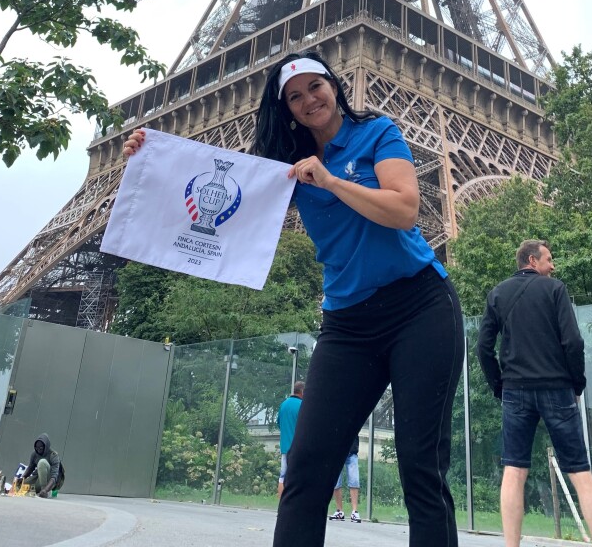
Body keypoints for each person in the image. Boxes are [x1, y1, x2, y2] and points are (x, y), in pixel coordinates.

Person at [122, 51, 465, 547]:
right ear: (286, 109)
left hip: (419, 306)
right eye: (295, 96)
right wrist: (147, 156)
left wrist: (329, 179)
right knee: (306, 468)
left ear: (334, 85)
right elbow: (215, 185)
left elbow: (406, 210)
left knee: (421, 465)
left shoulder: (377, 133)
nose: (309, 100)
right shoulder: (285, 166)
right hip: (347, 323)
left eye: (315, 87)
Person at [477, 240, 592, 547]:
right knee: (580, 471)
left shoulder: (498, 293)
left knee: (514, 470)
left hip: (515, 390)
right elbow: (573, 342)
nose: (553, 266)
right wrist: (576, 384)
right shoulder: (555, 289)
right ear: (533, 261)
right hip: (556, 388)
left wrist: (499, 385)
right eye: (549, 259)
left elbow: (483, 348)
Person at [16, 432, 65, 498]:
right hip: (39, 478)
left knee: (42, 462)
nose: (38, 450)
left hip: (50, 482)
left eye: (41, 448)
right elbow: (30, 468)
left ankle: (45, 491)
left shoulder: (53, 455)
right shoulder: (34, 454)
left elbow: (54, 477)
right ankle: (38, 490)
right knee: (20, 486)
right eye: (36, 448)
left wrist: (45, 490)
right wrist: (23, 478)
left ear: (46, 446)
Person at [278, 380, 304, 498]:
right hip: (298, 447)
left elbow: (279, 423)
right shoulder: (302, 406)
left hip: (285, 447)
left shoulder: (283, 404)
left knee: (282, 477)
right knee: (298, 477)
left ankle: (281, 504)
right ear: (302, 392)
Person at [328, 436, 360, 523]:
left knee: (354, 480)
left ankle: (355, 511)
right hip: (337, 451)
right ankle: (339, 511)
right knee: (336, 481)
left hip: (352, 452)